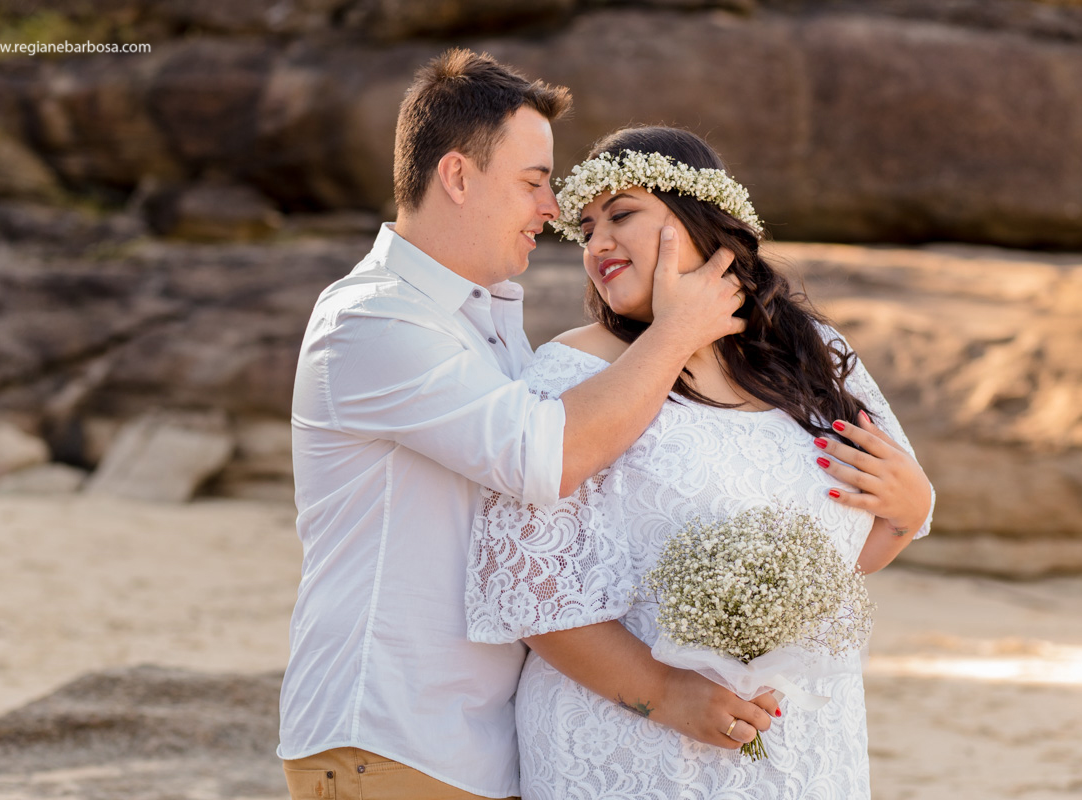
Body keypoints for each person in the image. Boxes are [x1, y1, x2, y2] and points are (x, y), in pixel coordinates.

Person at [278, 51, 778, 800]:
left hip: (484, 749)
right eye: (534, 182)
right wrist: (674, 333)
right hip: (386, 740)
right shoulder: (372, 319)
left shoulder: (490, 325)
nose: (552, 212)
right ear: (456, 176)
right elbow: (547, 457)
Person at [466, 126, 935, 799]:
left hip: (802, 737)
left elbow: (842, 557)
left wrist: (911, 508)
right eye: (587, 228)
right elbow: (528, 586)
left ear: (703, 218)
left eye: (622, 214)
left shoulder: (810, 354)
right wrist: (666, 694)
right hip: (632, 741)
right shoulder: (571, 368)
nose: (597, 243)